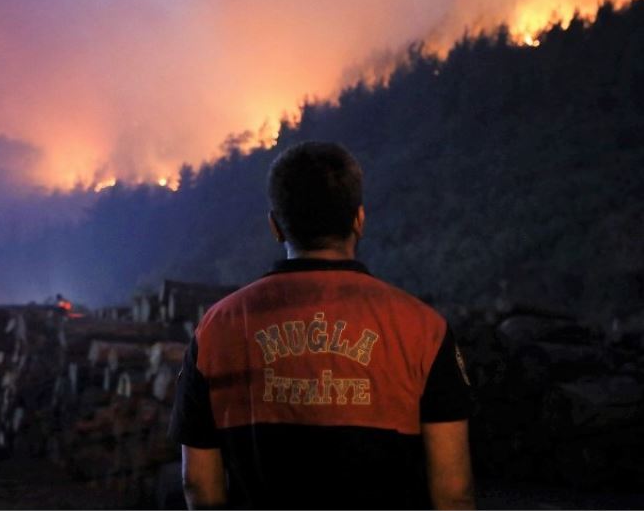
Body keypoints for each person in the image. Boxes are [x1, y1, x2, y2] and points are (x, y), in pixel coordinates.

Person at [169, 141, 475, 509]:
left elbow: (198, 484)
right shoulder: (424, 329)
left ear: (276, 226)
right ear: (359, 220)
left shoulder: (217, 329)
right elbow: (454, 491)